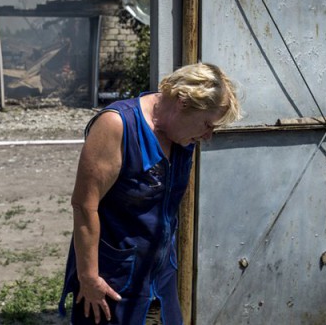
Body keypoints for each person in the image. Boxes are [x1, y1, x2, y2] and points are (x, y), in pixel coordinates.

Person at [59, 62, 241, 325]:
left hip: (159, 277)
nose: (208, 136)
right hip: (112, 280)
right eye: (206, 124)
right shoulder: (118, 125)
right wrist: (88, 278)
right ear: (182, 102)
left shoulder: (181, 136)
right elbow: (85, 206)